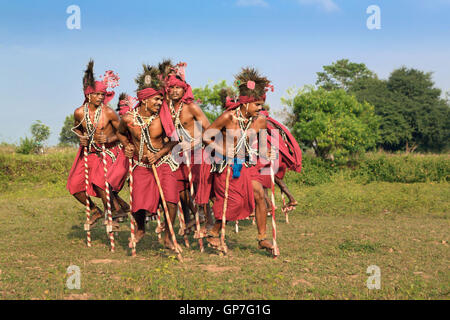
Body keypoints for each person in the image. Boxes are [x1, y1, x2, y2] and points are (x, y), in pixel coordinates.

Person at [203, 67, 276, 255]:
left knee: (259, 194)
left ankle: (262, 238)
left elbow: (259, 147)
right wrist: (224, 151)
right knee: (233, 202)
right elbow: (206, 136)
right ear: (245, 103)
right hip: (223, 167)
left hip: (243, 166)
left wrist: (268, 152)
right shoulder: (229, 117)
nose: (261, 109)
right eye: (257, 105)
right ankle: (213, 232)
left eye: (261, 105)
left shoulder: (260, 121)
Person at [117, 64, 180, 250]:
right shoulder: (128, 119)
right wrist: (127, 145)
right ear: (144, 100)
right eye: (156, 100)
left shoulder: (163, 119)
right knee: (137, 203)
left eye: (161, 99)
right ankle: (141, 228)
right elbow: (121, 134)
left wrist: (160, 153)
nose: (160, 103)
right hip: (140, 165)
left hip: (163, 163)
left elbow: (174, 140)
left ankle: (168, 236)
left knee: (170, 200)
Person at [66, 60, 124, 229]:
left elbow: (123, 133)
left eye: (103, 95)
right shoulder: (79, 112)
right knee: (74, 186)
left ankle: (112, 213)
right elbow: (77, 129)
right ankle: (95, 210)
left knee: (99, 182)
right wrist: (80, 137)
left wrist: (109, 140)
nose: (101, 97)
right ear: (88, 95)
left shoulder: (109, 113)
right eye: (98, 94)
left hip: (108, 152)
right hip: (89, 153)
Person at [160, 61, 214, 233]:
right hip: (177, 155)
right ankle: (196, 218)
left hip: (197, 153)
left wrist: (192, 143)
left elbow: (210, 131)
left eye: (178, 88)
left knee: (199, 188)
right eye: (172, 88)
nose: (175, 91)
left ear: (184, 89)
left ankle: (209, 222)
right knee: (181, 188)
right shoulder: (165, 109)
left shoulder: (191, 107)